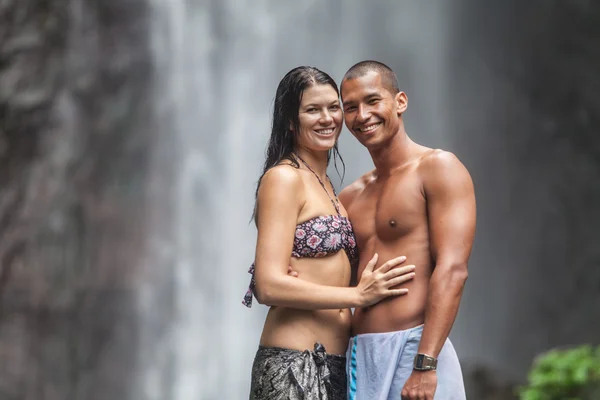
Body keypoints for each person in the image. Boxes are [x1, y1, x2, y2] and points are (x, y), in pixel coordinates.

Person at [242, 66, 416, 400]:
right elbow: (268, 285)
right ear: (291, 121)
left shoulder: (328, 187)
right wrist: (357, 296)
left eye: (333, 107)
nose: (327, 118)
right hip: (294, 363)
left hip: (338, 365)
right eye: (312, 110)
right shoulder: (284, 178)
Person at [338, 61, 476, 400]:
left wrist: (425, 365)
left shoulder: (438, 168)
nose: (362, 115)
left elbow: (453, 270)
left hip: (416, 348)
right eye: (351, 107)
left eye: (373, 101)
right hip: (359, 356)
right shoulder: (349, 197)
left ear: (400, 102)